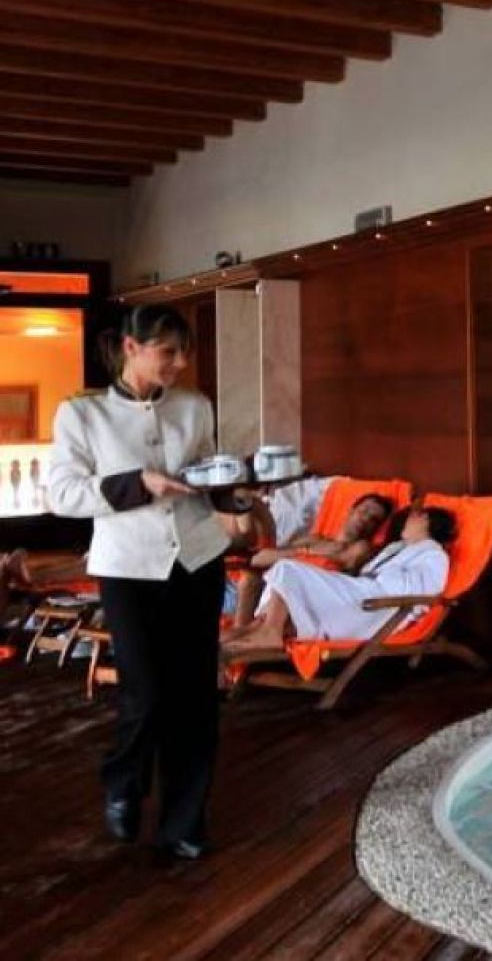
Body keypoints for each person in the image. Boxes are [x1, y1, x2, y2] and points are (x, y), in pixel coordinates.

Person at [45, 305, 233, 860]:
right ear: (131, 347)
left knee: (195, 697)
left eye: (183, 353)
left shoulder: (195, 407)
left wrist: (238, 492)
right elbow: (62, 495)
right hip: (128, 568)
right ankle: (123, 781)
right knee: (145, 692)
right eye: (167, 351)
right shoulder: (83, 414)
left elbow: (205, 478)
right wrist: (139, 483)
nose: (179, 363)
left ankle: (184, 824)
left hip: (197, 560)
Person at [222, 504, 456, 654]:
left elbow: (419, 592)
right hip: (362, 595)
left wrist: (377, 574)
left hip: (376, 607)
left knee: (287, 569)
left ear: (427, 521)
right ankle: (253, 630)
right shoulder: (396, 549)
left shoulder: (434, 554)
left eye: (417, 515)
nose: (410, 518)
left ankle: (269, 633)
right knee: (282, 577)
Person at [223, 493, 393, 627]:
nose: (365, 519)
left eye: (374, 520)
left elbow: (347, 561)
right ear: (350, 511)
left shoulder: (361, 548)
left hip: (288, 600)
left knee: (252, 579)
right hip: (253, 589)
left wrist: (304, 554)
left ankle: (240, 645)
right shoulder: (313, 540)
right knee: (247, 503)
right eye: (364, 511)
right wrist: (306, 551)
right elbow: (258, 558)